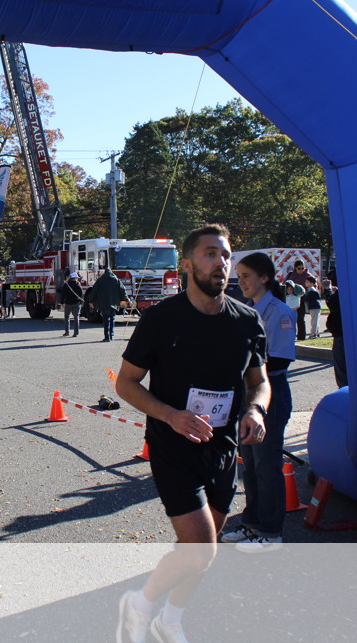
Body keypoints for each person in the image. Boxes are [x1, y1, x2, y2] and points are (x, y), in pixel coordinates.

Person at [115, 224, 270, 643]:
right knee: (202, 546)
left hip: (223, 448)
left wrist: (255, 409)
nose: (221, 263)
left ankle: (170, 620)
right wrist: (170, 416)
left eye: (226, 255)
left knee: (200, 551)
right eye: (210, 254)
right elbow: (125, 384)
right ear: (186, 265)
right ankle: (141, 604)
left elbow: (260, 381)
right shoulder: (161, 319)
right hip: (173, 446)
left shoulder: (247, 321)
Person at [222, 252, 295, 552]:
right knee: (250, 465)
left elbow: (281, 359)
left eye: (246, 276)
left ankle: (270, 532)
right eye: (238, 277)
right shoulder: (247, 309)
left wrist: (238, 365)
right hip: (246, 392)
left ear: (265, 277)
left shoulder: (278, 312)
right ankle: (252, 523)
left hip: (269, 393)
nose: (241, 282)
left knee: (266, 465)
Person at [322, 277, 347, 388]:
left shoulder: (346, 288)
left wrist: (328, 289)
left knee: (342, 369)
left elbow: (334, 304)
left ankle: (344, 392)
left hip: (341, 333)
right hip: (353, 332)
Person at [91, 267, 127, 341]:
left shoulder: (100, 280)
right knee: (112, 319)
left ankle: (107, 336)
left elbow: (94, 291)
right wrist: (125, 299)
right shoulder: (116, 280)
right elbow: (123, 290)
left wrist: (91, 301)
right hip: (114, 303)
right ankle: (111, 335)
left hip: (104, 303)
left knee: (106, 320)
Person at [285, 259, 310, 340]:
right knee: (289, 319)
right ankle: (289, 335)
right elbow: (285, 284)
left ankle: (301, 336)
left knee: (300, 319)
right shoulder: (291, 274)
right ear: (295, 268)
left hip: (301, 299)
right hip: (291, 299)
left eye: (303, 268)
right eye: (299, 268)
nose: (301, 270)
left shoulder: (307, 275)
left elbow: (312, 284)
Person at [59, 271, 84, 337]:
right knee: (76, 318)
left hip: (68, 303)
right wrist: (80, 301)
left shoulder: (66, 284)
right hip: (76, 303)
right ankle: (76, 333)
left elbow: (63, 294)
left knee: (67, 317)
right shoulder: (78, 284)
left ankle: (67, 332)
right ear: (75, 278)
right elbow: (81, 293)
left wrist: (62, 303)